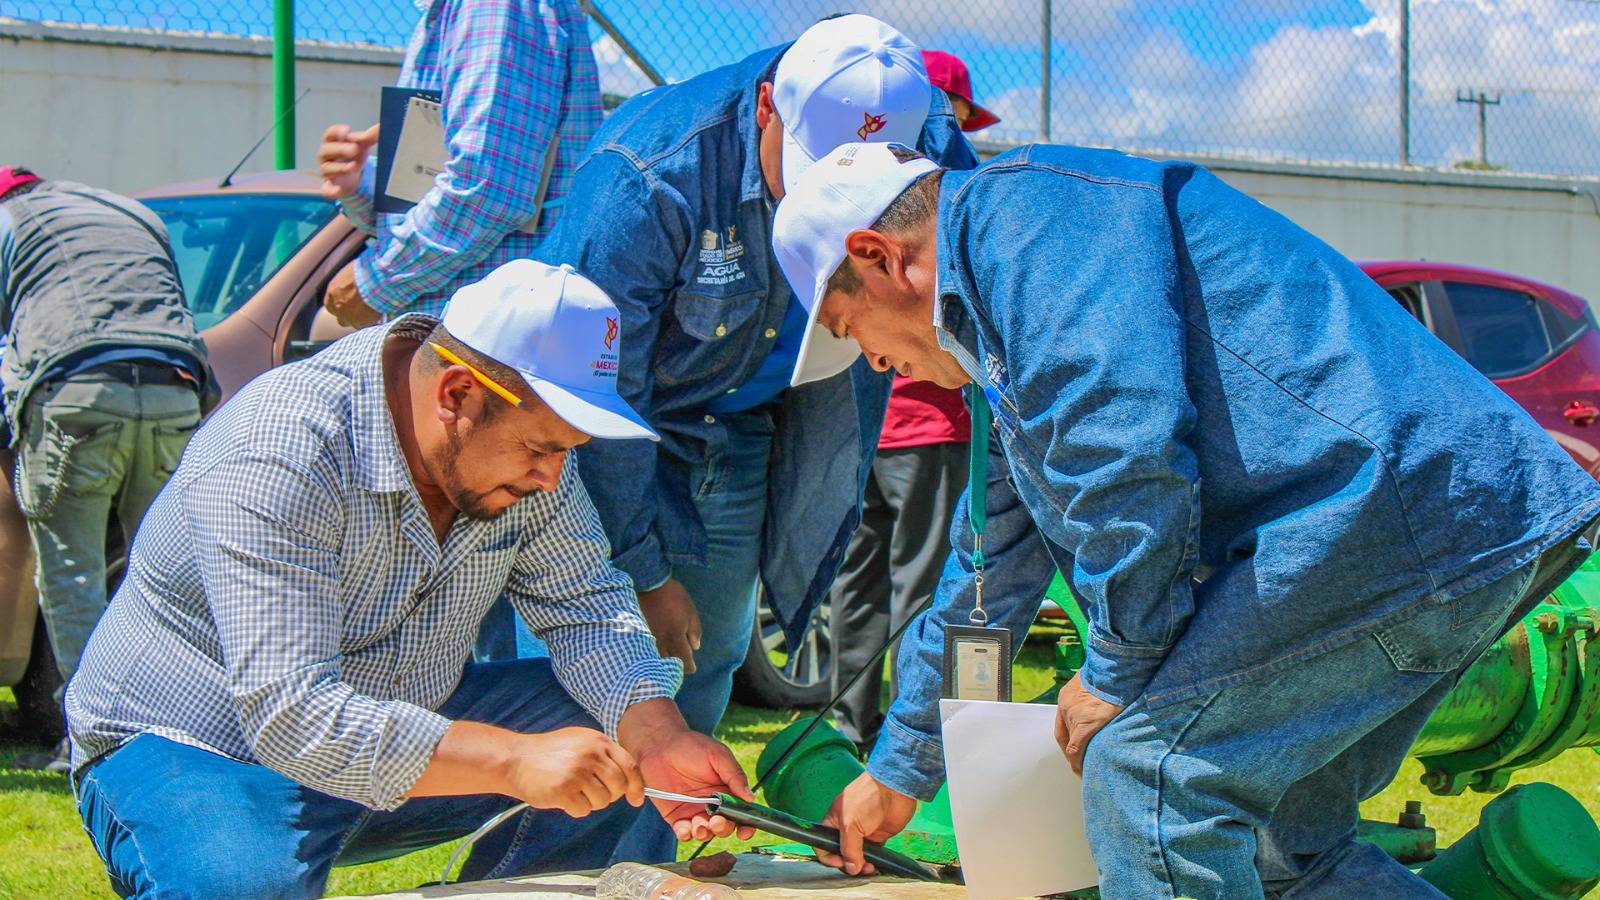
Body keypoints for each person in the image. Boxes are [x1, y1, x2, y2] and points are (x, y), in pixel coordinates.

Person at [771, 142, 1600, 898]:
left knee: (1151, 780)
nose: (878, 364)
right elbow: (983, 573)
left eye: (856, 334)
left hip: (1395, 516)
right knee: (1289, 846)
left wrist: (1118, 670)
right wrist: (902, 766)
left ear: (876, 256)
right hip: (1434, 518)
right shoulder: (997, 318)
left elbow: (1125, 453)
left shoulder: (1027, 230)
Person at [64, 260, 754, 899]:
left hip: (389, 722)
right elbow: (289, 712)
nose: (551, 478)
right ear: (457, 393)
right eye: (541, 449)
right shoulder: (279, 449)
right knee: (244, 886)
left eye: (564, 453)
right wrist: (513, 761)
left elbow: (584, 606)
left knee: (621, 745)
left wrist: (659, 738)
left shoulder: (515, 450)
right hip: (201, 746)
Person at [534, 12, 976, 737]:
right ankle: (564, 849)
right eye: (816, 178)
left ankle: (668, 838)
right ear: (767, 105)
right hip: (638, 425)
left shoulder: (930, 132)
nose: (835, 224)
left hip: (757, 420)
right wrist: (640, 572)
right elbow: (591, 391)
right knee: (602, 662)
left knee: (706, 658)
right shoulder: (649, 175)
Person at [0, 166, 212, 773]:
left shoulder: (12, 222)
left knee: (72, 573)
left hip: (76, 393)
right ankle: (176, 732)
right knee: (163, 575)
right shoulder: (133, 211)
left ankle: (91, 744)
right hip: (176, 387)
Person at [827, 48, 999, 755]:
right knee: (916, 584)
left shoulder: (854, 195)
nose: (962, 130)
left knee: (863, 580)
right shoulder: (933, 205)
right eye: (956, 113)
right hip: (927, 430)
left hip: (866, 433)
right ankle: (896, 729)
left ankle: (853, 725)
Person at [316, 0, 601, 328]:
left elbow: (489, 188)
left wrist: (375, 283)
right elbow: (474, 184)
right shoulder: (458, 12)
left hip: (484, 340)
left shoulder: (490, 7)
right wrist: (359, 186)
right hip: (482, 337)